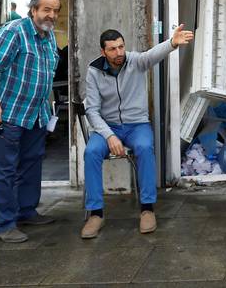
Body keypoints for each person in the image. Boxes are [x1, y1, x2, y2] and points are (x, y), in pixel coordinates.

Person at [81, 25, 194, 239]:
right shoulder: (94, 70)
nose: (119, 52)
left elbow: (151, 55)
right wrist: (109, 135)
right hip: (108, 126)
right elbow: (92, 110)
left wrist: (171, 43)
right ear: (103, 52)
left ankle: (147, 209)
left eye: (121, 46)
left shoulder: (134, 61)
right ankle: (95, 214)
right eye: (113, 49)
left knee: (144, 147)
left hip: (137, 125)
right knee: (91, 152)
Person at [0, 0, 62, 243]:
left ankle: (26, 211)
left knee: (31, 164)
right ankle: (4, 223)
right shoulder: (13, 31)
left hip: (35, 116)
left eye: (56, 10)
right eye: (46, 9)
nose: (52, 15)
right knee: (3, 170)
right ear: (33, 10)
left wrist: (49, 109)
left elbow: (46, 75)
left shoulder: (49, 37)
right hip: (7, 114)